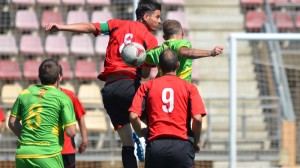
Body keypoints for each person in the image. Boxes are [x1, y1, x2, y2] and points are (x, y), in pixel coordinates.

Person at [44, 1, 161, 167]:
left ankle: (138, 141)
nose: (159, 21)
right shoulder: (150, 40)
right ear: (146, 16)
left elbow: (90, 27)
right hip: (129, 87)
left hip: (109, 90)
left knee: (127, 144)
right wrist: (140, 64)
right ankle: (145, 143)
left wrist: (61, 27)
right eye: (157, 16)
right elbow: (145, 74)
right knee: (158, 130)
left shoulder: (115, 24)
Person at [129, 49, 206, 168]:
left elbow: (133, 116)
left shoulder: (147, 86)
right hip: (182, 146)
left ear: (158, 66)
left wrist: (141, 133)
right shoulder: (189, 88)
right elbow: (197, 119)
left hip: (156, 145)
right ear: (178, 65)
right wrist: (195, 142)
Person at [8, 59, 77, 168]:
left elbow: (12, 123)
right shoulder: (63, 97)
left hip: (24, 154)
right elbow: (71, 132)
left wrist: (28, 137)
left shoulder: (24, 94)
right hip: (48, 155)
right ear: (59, 77)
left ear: (39, 76)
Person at [144, 19, 224, 82]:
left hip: (161, 91)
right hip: (181, 92)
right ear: (182, 32)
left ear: (164, 37)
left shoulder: (156, 51)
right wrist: (210, 52)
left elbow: (142, 57)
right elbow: (186, 52)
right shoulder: (180, 43)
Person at [58, 65, 88, 168]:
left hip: (66, 149)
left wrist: (84, 139)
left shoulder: (70, 95)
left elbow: (80, 116)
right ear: (60, 77)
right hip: (48, 150)